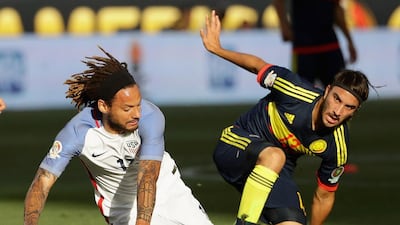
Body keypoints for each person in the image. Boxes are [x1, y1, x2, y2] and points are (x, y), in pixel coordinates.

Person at [200, 10, 372, 225]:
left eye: (348, 107)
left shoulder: (337, 146)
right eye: (337, 99)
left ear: (354, 112)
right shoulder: (293, 89)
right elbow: (257, 65)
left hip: (274, 173)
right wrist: (217, 49)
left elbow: (324, 195)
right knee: (275, 155)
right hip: (235, 145)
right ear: (326, 91)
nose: (338, 111)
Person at [24, 46, 213, 225]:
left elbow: (148, 175)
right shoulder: (77, 133)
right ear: (103, 106)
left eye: (138, 104)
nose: (137, 113)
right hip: (123, 208)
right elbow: (42, 181)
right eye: (127, 108)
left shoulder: (150, 117)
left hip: (168, 189)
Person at [272, 0, 357, 87]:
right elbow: (279, 2)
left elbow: (337, 9)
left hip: (329, 45)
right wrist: (284, 26)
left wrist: (349, 40)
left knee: (340, 88)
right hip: (303, 47)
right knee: (300, 93)